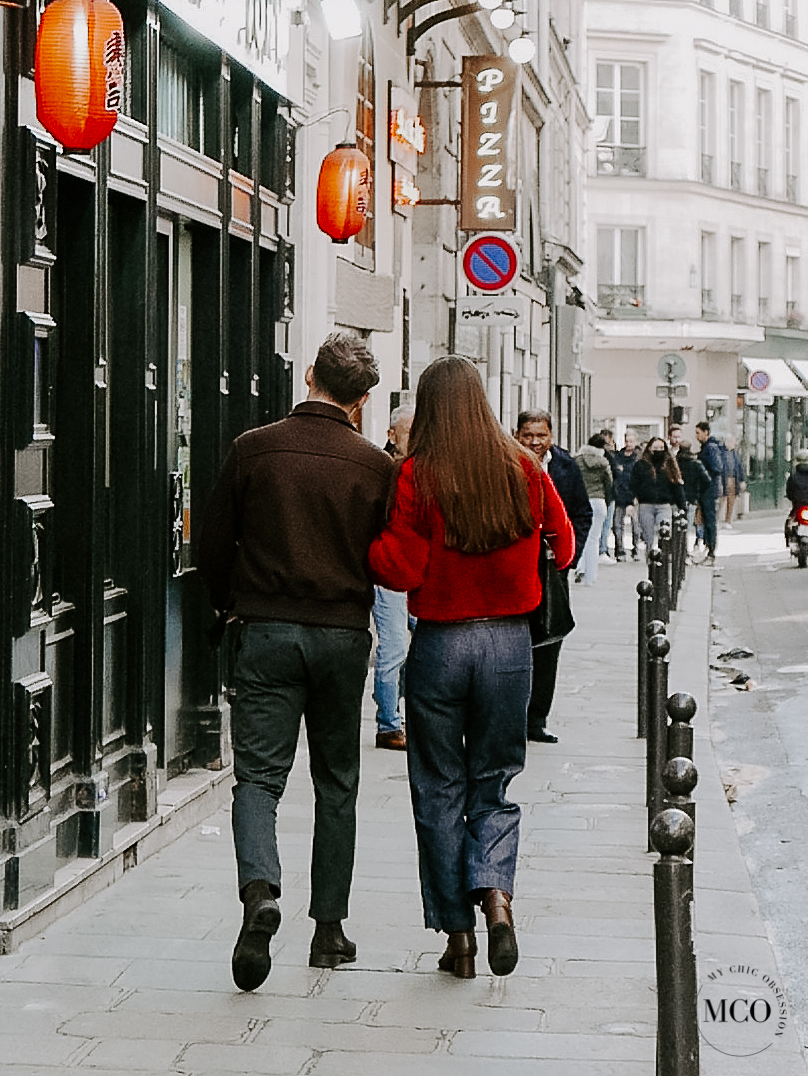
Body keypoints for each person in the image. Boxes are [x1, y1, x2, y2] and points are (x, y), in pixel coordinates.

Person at [197, 331, 393, 991]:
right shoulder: (375, 466)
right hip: (341, 635)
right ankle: (330, 931)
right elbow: (384, 557)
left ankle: (260, 892)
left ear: (309, 374)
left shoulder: (253, 449)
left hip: (267, 629)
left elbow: (214, 541)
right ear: (362, 401)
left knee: (259, 779)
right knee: (337, 782)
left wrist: (229, 607)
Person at [369, 358, 575, 979]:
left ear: (430, 408)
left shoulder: (416, 476)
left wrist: (372, 541)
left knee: (437, 786)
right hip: (510, 648)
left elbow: (400, 571)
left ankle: (458, 938)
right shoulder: (525, 468)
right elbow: (562, 546)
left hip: (440, 647)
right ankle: (497, 897)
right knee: (495, 781)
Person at [514, 410, 592, 744]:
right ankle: (512, 716)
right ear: (517, 434)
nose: (534, 441)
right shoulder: (509, 463)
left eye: (540, 435)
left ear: (551, 436)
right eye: (528, 434)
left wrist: (568, 558)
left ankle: (537, 719)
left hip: (553, 571)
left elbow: (582, 513)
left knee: (550, 641)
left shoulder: (566, 467)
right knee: (515, 643)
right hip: (517, 569)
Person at [372, 405, 414, 750]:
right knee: (395, 646)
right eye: (409, 432)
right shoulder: (383, 469)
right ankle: (389, 723)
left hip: (414, 570)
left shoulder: (417, 468)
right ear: (391, 435)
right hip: (390, 572)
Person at [629, 435, 686, 554]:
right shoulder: (641, 465)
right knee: (648, 537)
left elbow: (676, 484)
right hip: (646, 505)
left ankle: (663, 561)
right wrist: (630, 502)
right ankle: (652, 564)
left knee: (664, 533)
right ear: (649, 448)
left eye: (661, 448)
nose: (658, 451)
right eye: (655, 448)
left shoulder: (670, 465)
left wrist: (682, 505)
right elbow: (633, 484)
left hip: (664, 505)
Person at [574, 434, 613, 586]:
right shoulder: (603, 462)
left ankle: (579, 567)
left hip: (582, 500)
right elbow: (609, 482)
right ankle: (590, 577)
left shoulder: (577, 460)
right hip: (598, 500)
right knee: (593, 539)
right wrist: (608, 500)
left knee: (580, 535)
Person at [611, 429, 642, 561]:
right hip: (619, 494)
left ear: (636, 441)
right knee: (617, 525)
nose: (629, 443)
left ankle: (636, 549)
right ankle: (620, 550)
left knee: (636, 526)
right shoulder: (618, 457)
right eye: (627, 441)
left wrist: (637, 496)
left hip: (635, 496)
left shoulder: (639, 458)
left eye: (631, 441)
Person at [695, 421, 723, 566]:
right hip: (707, 490)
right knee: (707, 521)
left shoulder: (710, 448)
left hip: (709, 490)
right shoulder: (708, 448)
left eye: (698, 432)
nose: (696, 436)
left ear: (706, 432)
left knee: (710, 521)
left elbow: (716, 468)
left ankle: (711, 551)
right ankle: (708, 549)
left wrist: (704, 477)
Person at [676, 440, 711, 553]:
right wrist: (699, 491)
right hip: (691, 498)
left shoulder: (675, 463)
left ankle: (679, 552)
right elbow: (707, 480)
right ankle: (684, 552)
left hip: (676, 498)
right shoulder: (695, 463)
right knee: (687, 526)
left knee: (676, 526)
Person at [598, 429, 617, 561]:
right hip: (606, 495)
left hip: (603, 495)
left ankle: (601, 549)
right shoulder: (609, 458)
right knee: (605, 525)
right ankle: (602, 550)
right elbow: (614, 475)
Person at [720, 435, 746, 527]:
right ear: (728, 442)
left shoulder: (735, 453)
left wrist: (742, 480)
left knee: (731, 500)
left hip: (734, 479)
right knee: (721, 500)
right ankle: (718, 520)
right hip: (724, 479)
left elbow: (739, 467)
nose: (734, 444)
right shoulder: (721, 452)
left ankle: (728, 520)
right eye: (733, 442)